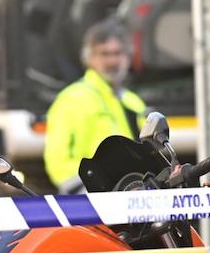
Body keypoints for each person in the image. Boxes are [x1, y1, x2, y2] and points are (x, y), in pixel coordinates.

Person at [42, 19, 148, 193]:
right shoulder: (72, 98)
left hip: (132, 192)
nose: (112, 61)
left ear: (128, 56)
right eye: (104, 54)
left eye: (117, 53)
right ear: (89, 58)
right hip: (91, 196)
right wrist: (86, 189)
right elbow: (57, 160)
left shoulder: (133, 101)